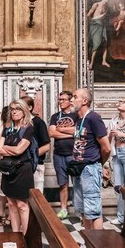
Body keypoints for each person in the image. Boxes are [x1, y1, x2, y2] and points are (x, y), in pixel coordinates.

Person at [69, 88, 110, 231]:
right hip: (78, 167)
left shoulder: (94, 118)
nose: (71, 100)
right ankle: (88, 241)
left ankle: (98, 245)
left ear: (84, 101)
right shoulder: (79, 119)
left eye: (74, 97)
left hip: (90, 167)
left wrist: (99, 164)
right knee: (83, 209)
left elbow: (106, 147)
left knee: (93, 209)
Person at [0, 100, 36, 233]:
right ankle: (16, 235)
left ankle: (26, 236)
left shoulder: (28, 128)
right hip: (8, 171)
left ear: (24, 111)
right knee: (11, 204)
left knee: (22, 205)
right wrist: (10, 149)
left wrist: (6, 147)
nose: (14, 111)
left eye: (18, 109)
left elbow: (19, 150)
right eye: (12, 109)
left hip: (22, 170)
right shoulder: (7, 128)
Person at [49, 90, 78, 219]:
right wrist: (70, 133)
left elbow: (78, 131)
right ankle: (63, 209)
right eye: (59, 100)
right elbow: (52, 133)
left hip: (74, 153)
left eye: (63, 100)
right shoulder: (55, 116)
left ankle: (80, 210)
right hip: (59, 154)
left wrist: (61, 129)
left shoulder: (77, 115)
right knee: (63, 183)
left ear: (70, 101)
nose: (60, 102)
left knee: (77, 182)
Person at [21, 95, 51, 192]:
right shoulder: (18, 123)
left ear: (30, 108)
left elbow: (46, 146)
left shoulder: (38, 123)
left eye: (21, 107)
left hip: (36, 165)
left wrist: (31, 157)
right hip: (21, 165)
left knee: (37, 195)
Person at [86, 0, 111, 68]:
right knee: (96, 44)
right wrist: (91, 21)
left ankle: (104, 61)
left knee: (105, 44)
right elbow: (89, 14)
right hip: (95, 25)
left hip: (102, 26)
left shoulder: (106, 7)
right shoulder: (96, 4)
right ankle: (91, 63)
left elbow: (106, 18)